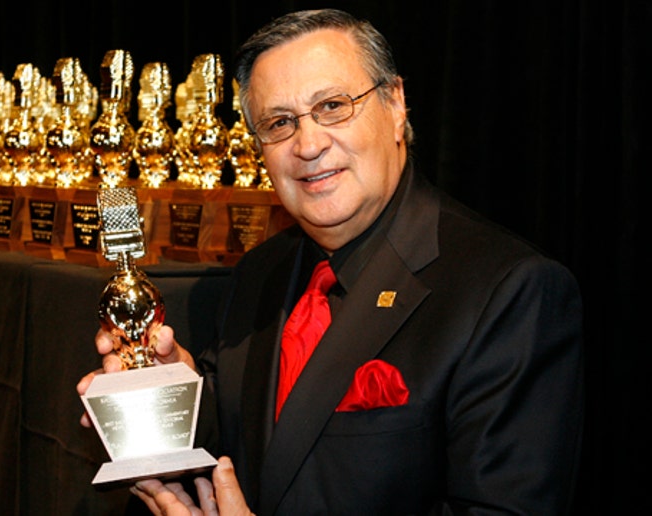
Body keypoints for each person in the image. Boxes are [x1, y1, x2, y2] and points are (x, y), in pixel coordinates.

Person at [78, 8, 584, 515]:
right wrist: (171, 402)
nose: (309, 144)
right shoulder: (260, 272)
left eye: (333, 106)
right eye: (279, 123)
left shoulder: (509, 291)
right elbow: (251, 451)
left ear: (397, 104)